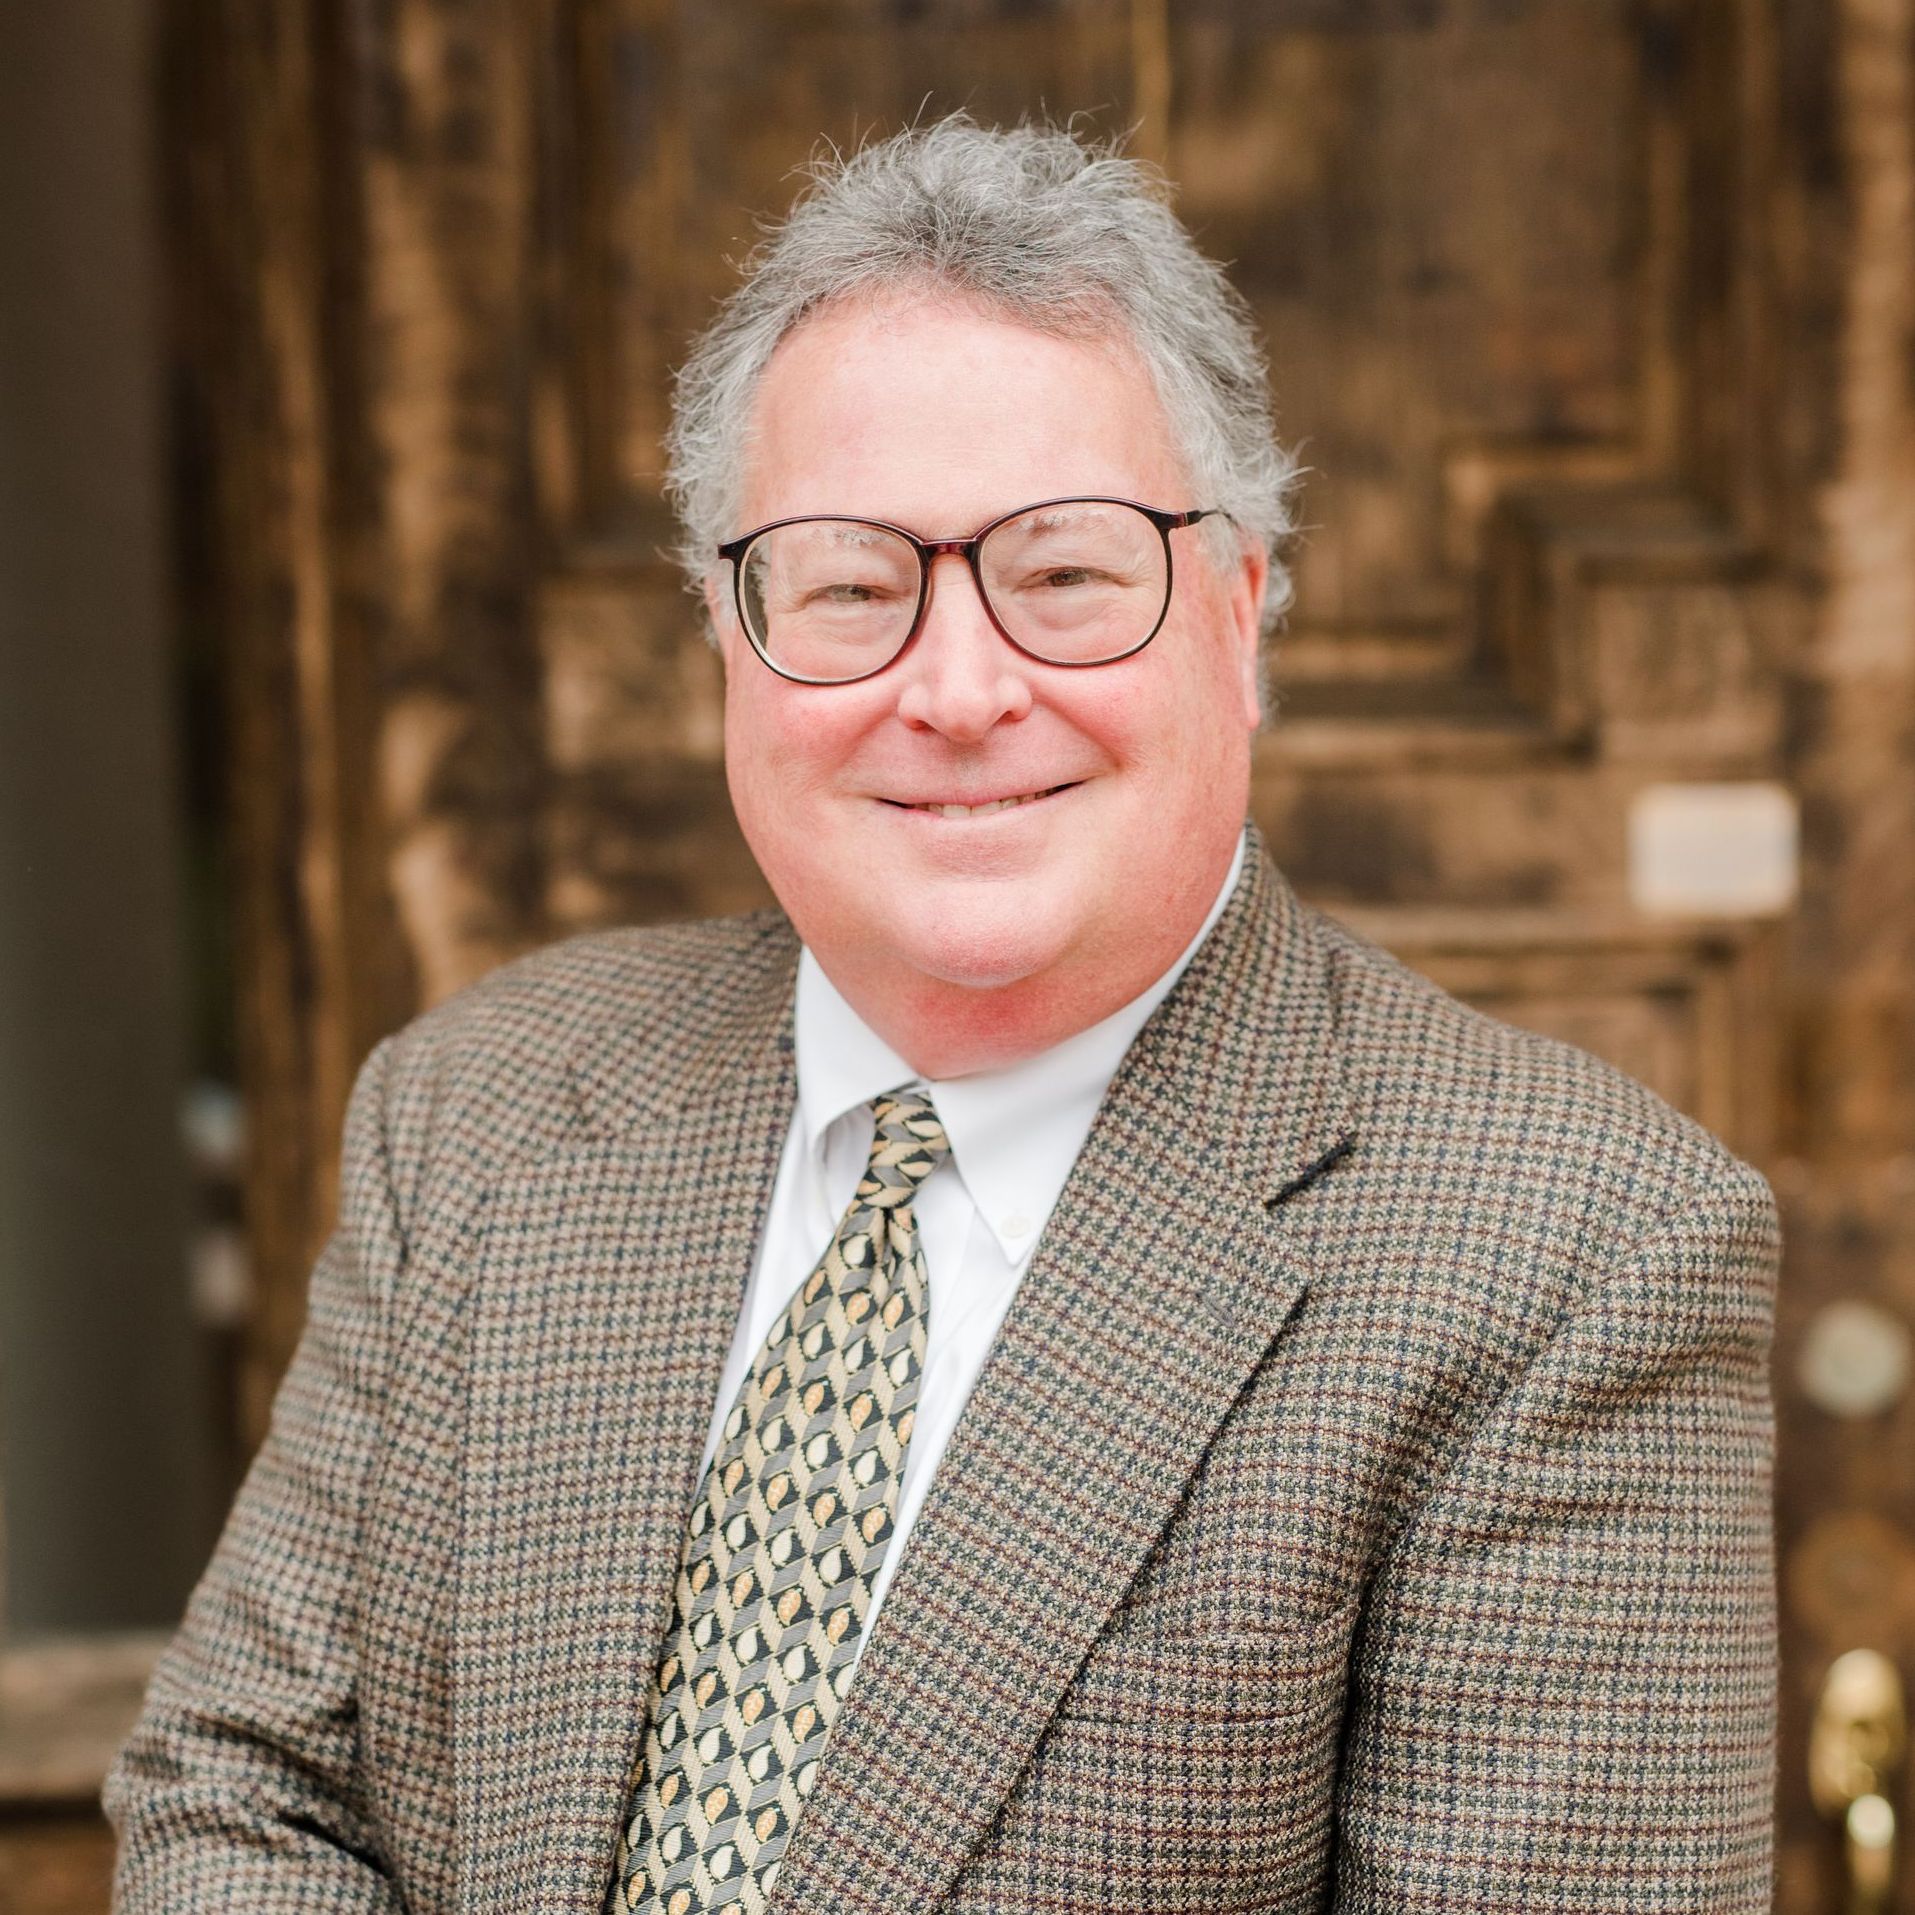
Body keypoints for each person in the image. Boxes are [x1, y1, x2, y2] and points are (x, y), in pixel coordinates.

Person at [107, 118, 1780, 1913]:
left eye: (1064, 573)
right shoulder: (482, 1106)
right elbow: (245, 1793)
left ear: (1239, 612)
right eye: (850, 584)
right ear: (729, 649)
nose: (962, 689)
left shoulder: (1576, 1255)